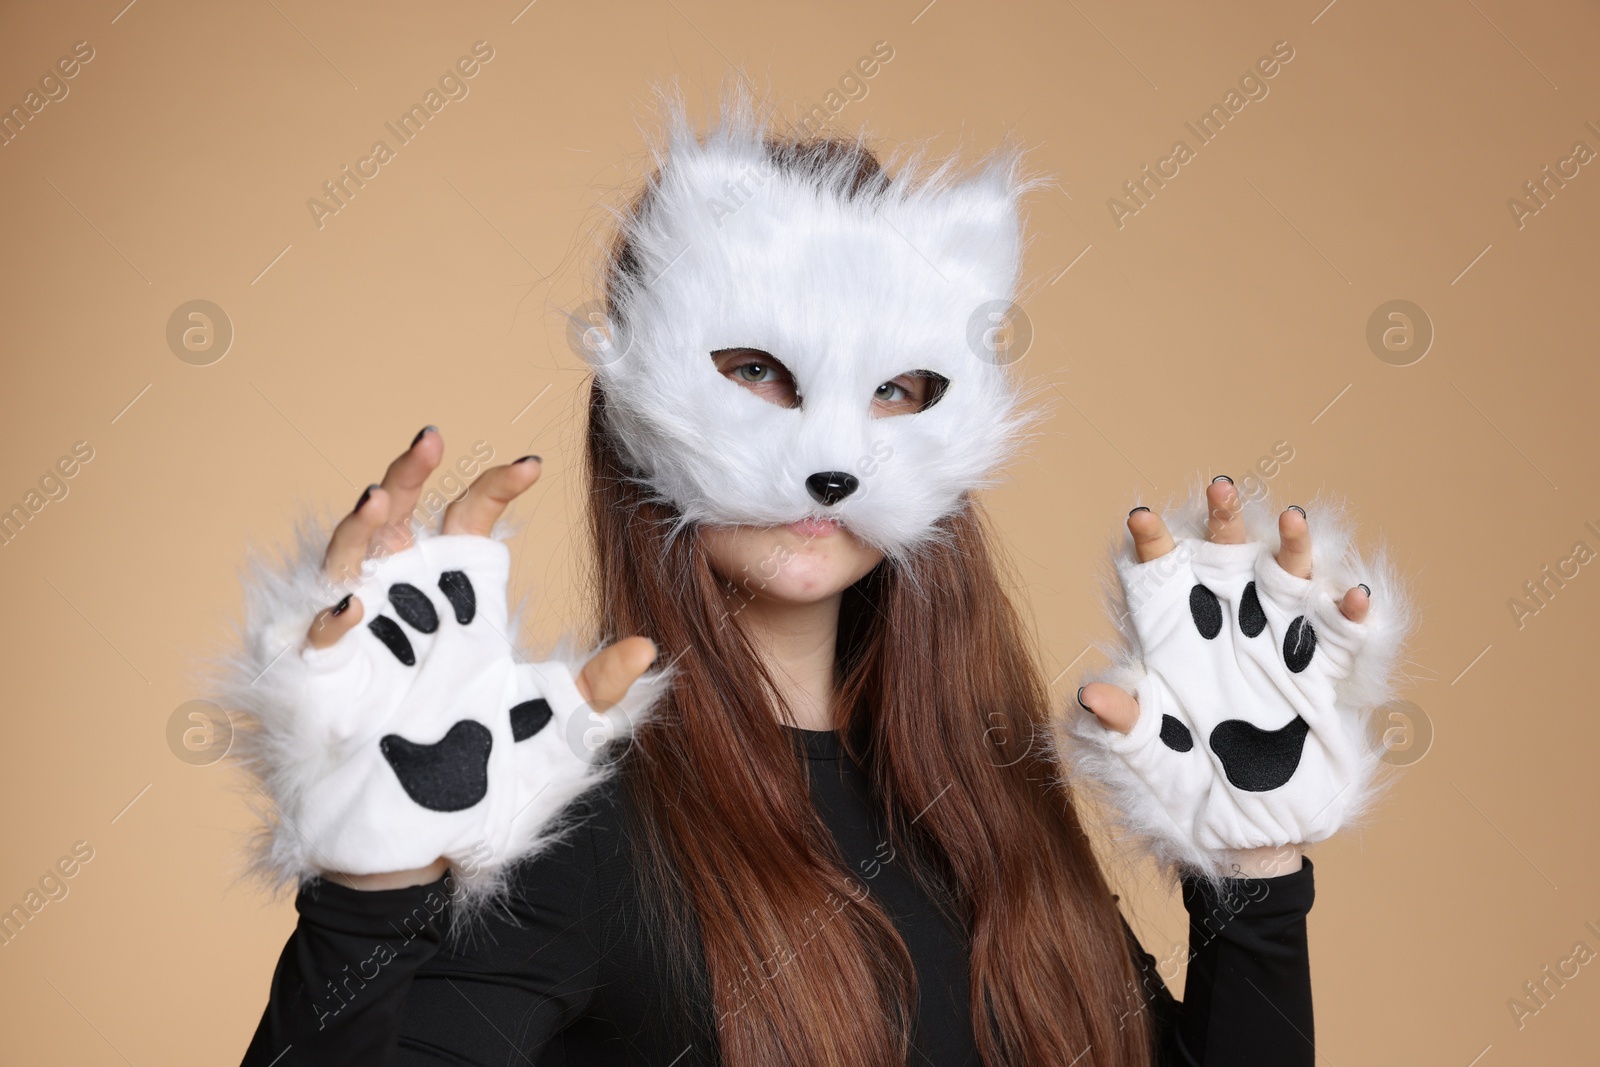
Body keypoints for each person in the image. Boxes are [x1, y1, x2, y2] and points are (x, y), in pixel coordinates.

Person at [221, 95, 1409, 1067]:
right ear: (639, 396)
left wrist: (1255, 874)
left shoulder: (990, 804)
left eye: (895, 387)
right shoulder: (566, 829)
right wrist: (368, 890)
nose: (828, 455)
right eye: (758, 370)